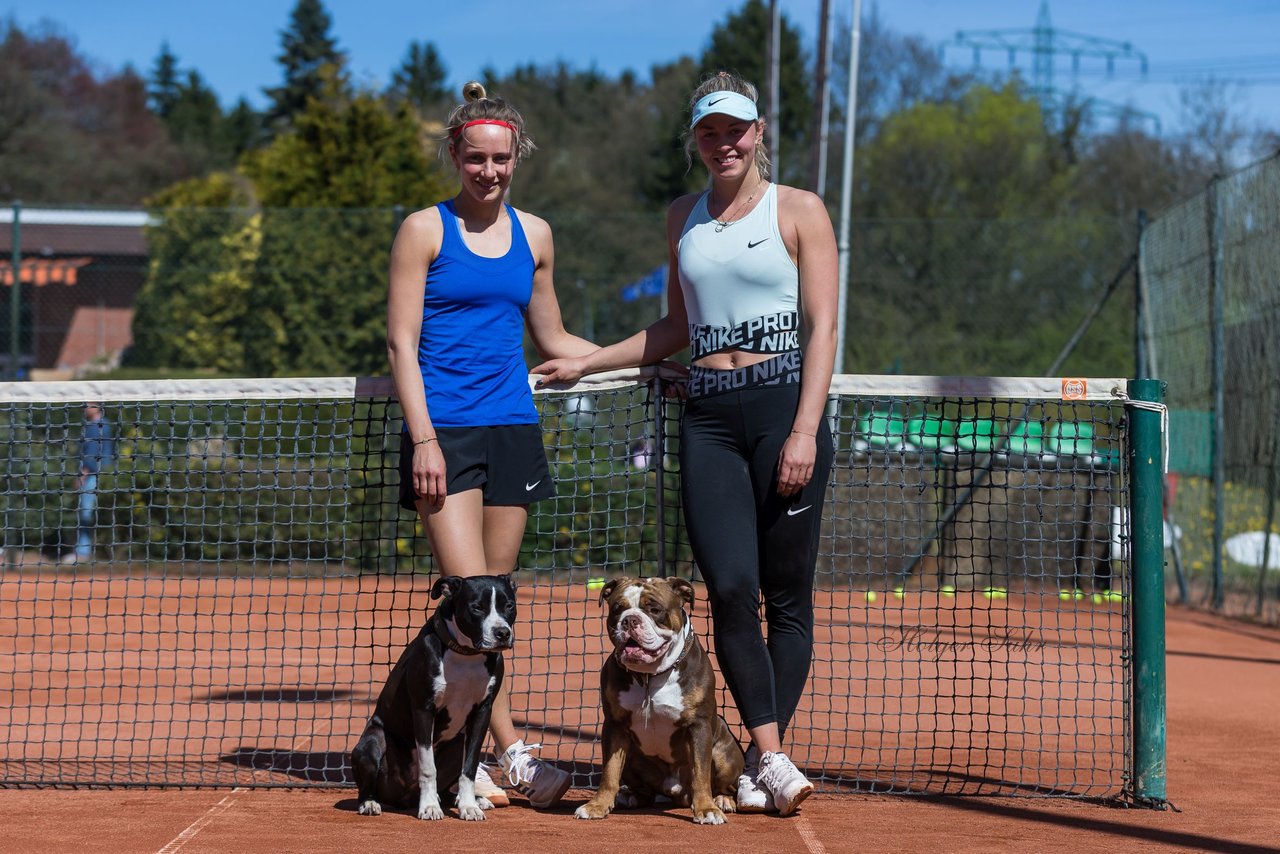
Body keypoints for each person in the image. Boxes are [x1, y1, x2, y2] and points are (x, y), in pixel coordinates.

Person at [532, 71, 838, 817]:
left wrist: (802, 429)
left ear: (759, 132)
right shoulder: (684, 217)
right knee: (731, 590)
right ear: (696, 141)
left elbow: (824, 327)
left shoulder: (799, 210)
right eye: (709, 131)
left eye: (735, 128)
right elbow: (677, 326)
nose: (723, 142)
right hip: (707, 415)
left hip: (783, 407)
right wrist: (590, 359)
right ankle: (770, 761)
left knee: (786, 600)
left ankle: (766, 754)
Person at [386, 81, 597, 810]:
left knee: (493, 613)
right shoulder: (423, 230)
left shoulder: (534, 235)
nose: (489, 171)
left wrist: (635, 362)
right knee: (467, 606)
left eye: (500, 158)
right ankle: (512, 756)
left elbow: (555, 337)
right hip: (443, 434)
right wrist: (423, 439)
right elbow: (400, 342)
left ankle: (461, 753)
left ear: (517, 158)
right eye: (476, 158)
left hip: (514, 429)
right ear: (455, 155)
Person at [63, 403, 115, 565]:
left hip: (94, 475)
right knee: (88, 513)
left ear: (99, 407)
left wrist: (83, 474)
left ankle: (82, 552)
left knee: (86, 513)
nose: (85, 408)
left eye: (89, 405)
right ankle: (86, 550)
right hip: (100, 474)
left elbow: (92, 454)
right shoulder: (95, 425)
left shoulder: (97, 426)